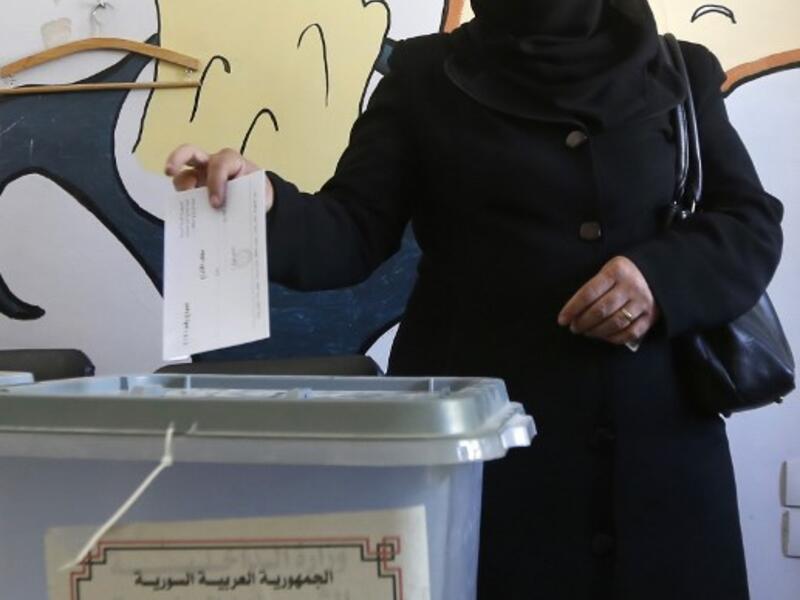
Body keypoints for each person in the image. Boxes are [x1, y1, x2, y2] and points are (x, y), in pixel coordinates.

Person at [165, 1, 784, 598]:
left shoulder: (682, 71)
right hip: (481, 455)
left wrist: (661, 279)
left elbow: (749, 222)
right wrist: (264, 204)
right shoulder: (423, 75)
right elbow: (353, 230)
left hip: (660, 468)